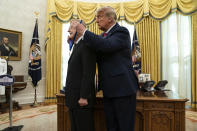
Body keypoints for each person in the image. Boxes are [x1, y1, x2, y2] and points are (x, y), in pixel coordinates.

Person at [76, 6, 139, 131]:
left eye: (99, 16)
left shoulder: (121, 32)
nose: (96, 20)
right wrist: (76, 40)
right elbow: (94, 51)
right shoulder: (102, 36)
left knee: (124, 127)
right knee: (111, 127)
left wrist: (84, 31)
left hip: (123, 90)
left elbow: (106, 45)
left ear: (110, 18)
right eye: (96, 17)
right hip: (109, 90)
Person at [65, 19, 96, 131]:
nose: (68, 30)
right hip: (74, 99)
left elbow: (88, 73)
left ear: (80, 28)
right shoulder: (77, 45)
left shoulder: (87, 45)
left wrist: (84, 96)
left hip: (81, 100)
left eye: (71, 27)